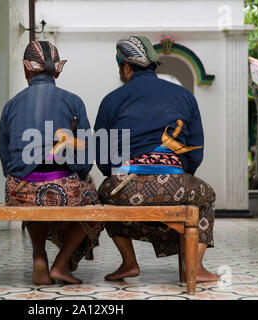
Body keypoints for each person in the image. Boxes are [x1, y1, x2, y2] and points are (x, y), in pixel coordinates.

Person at [94, 36, 219, 282]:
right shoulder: (184, 96)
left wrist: (118, 175)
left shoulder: (111, 101)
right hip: (175, 185)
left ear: (126, 67)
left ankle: (129, 263)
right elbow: (195, 153)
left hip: (126, 187)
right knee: (206, 197)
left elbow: (102, 157)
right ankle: (194, 267)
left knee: (104, 196)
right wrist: (180, 179)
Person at [0, 40, 102, 285]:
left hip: (18, 191)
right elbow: (86, 159)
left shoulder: (11, 105)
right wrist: (76, 174)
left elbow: (6, 162)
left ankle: (39, 257)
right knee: (96, 205)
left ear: (26, 69)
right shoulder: (73, 101)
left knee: (31, 188)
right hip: (62, 189)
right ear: (57, 70)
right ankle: (61, 263)